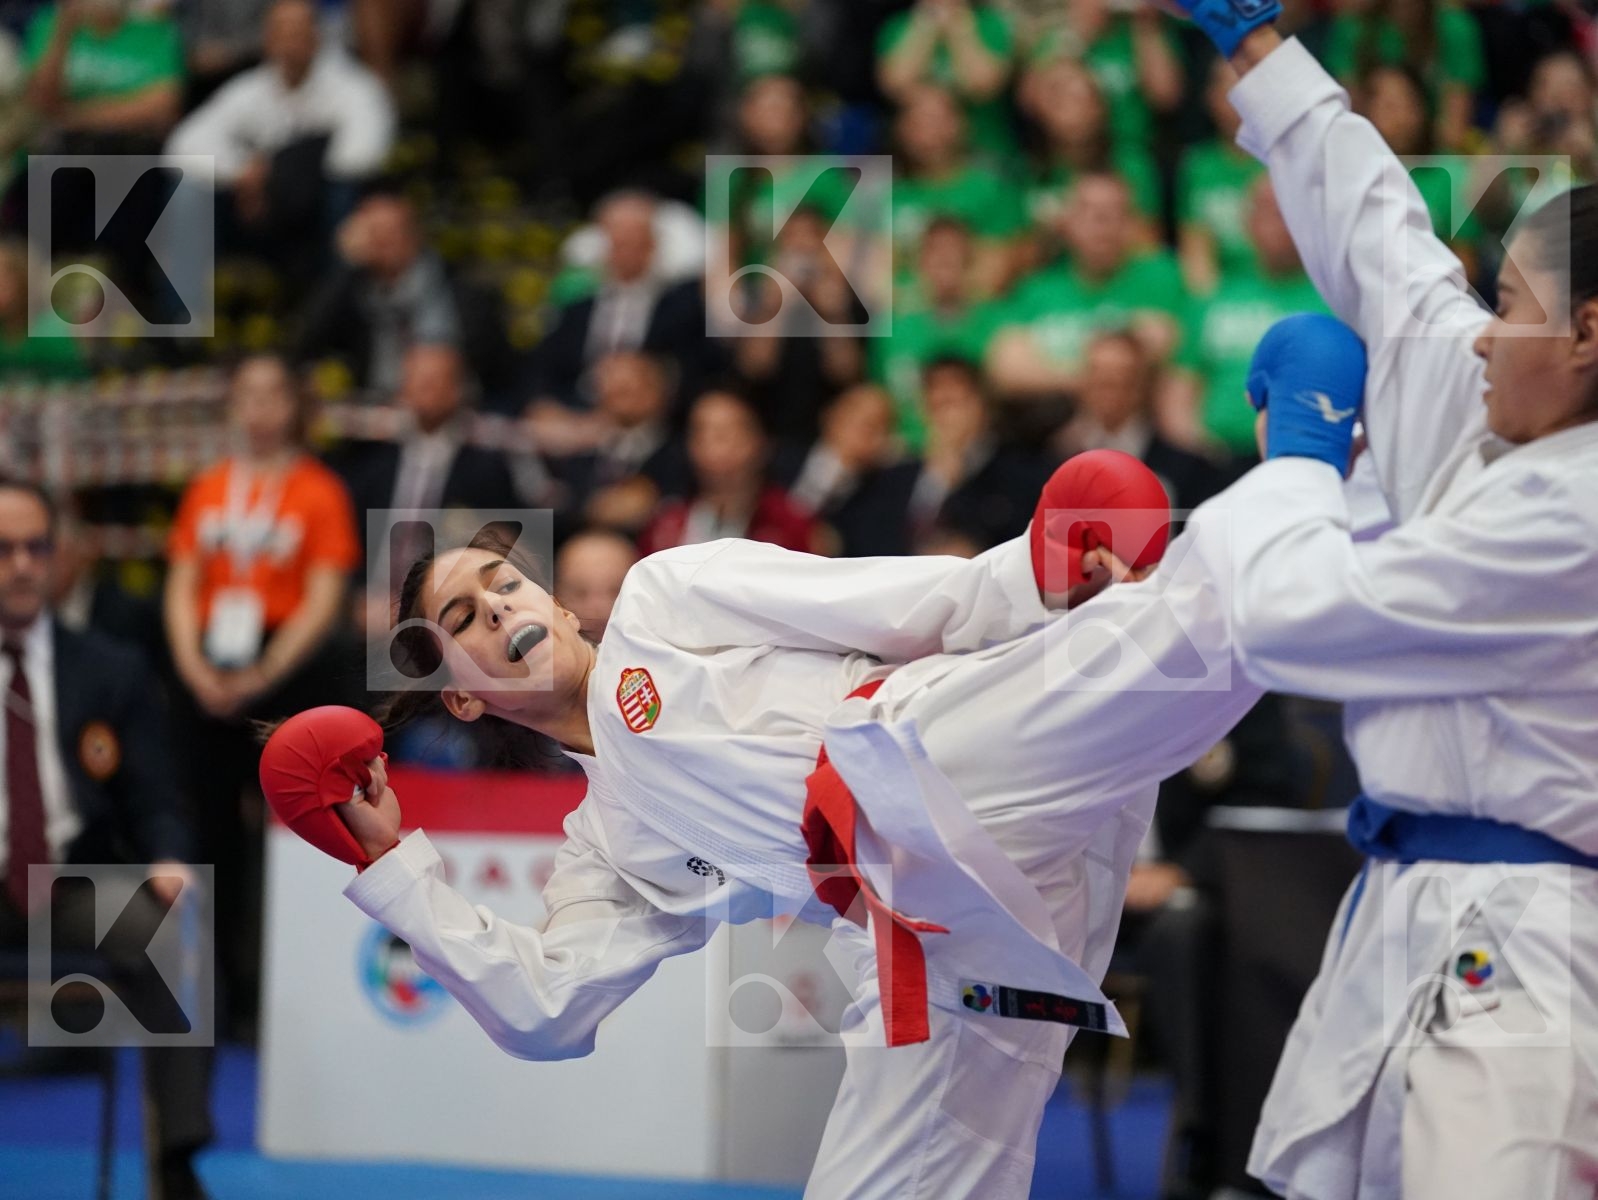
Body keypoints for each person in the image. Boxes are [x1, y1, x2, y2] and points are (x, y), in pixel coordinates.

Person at [269, 441, 1273, 1199]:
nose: (494, 610)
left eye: (503, 583)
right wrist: (396, 864)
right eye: (461, 622)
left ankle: (1304, 514)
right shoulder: (608, 850)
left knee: (1194, 634)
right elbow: (542, 1010)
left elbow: (898, 602)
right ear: (463, 700)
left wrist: (1033, 576)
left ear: (565, 607)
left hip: (939, 751)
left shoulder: (666, 596)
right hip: (949, 943)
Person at [1164, 0, 1598, 1194]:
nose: (1475, 337)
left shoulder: (1578, 514)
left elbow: (1299, 618)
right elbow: (1386, 248)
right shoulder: (1499, 412)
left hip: (1537, 941)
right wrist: (1251, 43)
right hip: (1397, 907)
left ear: (1585, 334)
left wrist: (1302, 457)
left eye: (1506, 306)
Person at [0, 480, 213, 1200]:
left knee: (170, 929)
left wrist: (168, 855)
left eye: (37, 548)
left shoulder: (109, 667)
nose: (24, 565)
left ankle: (176, 1161)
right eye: (4, 551)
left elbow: (156, 797)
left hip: (64, 886)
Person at [164, 353, 360, 1034]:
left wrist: (264, 674)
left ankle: (282, 989)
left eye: (274, 395)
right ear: (231, 407)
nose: (261, 409)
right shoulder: (208, 487)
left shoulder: (319, 491)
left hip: (287, 674)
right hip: (211, 666)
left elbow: (322, 599)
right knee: (213, 833)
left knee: (290, 830)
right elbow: (183, 583)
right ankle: (217, 991)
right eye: (247, 395)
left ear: (295, 406)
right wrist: (194, 668)